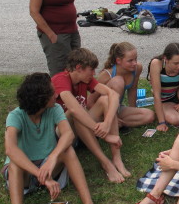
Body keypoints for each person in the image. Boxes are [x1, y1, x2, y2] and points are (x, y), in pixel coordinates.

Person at [3, 73, 101, 204]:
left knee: (68, 151)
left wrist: (53, 158)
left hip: (48, 167)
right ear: (40, 99)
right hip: (24, 173)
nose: (55, 95)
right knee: (14, 165)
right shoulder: (15, 116)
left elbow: (68, 134)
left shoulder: (54, 109)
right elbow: (11, 150)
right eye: (51, 92)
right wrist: (41, 175)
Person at [51, 47, 128, 183]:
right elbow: (74, 109)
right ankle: (106, 163)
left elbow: (113, 95)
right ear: (79, 68)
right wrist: (104, 134)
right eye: (91, 70)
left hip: (83, 129)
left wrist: (107, 123)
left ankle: (117, 158)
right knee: (76, 112)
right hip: (62, 133)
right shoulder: (60, 79)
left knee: (105, 100)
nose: (93, 74)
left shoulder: (85, 79)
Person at [88, 42, 155, 128]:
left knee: (149, 115)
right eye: (130, 60)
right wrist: (103, 116)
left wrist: (133, 110)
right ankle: (111, 122)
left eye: (135, 59)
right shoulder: (107, 74)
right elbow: (90, 102)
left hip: (117, 108)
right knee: (118, 81)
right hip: (101, 110)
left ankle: (119, 124)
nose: (134, 63)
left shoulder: (137, 68)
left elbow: (133, 90)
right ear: (118, 61)